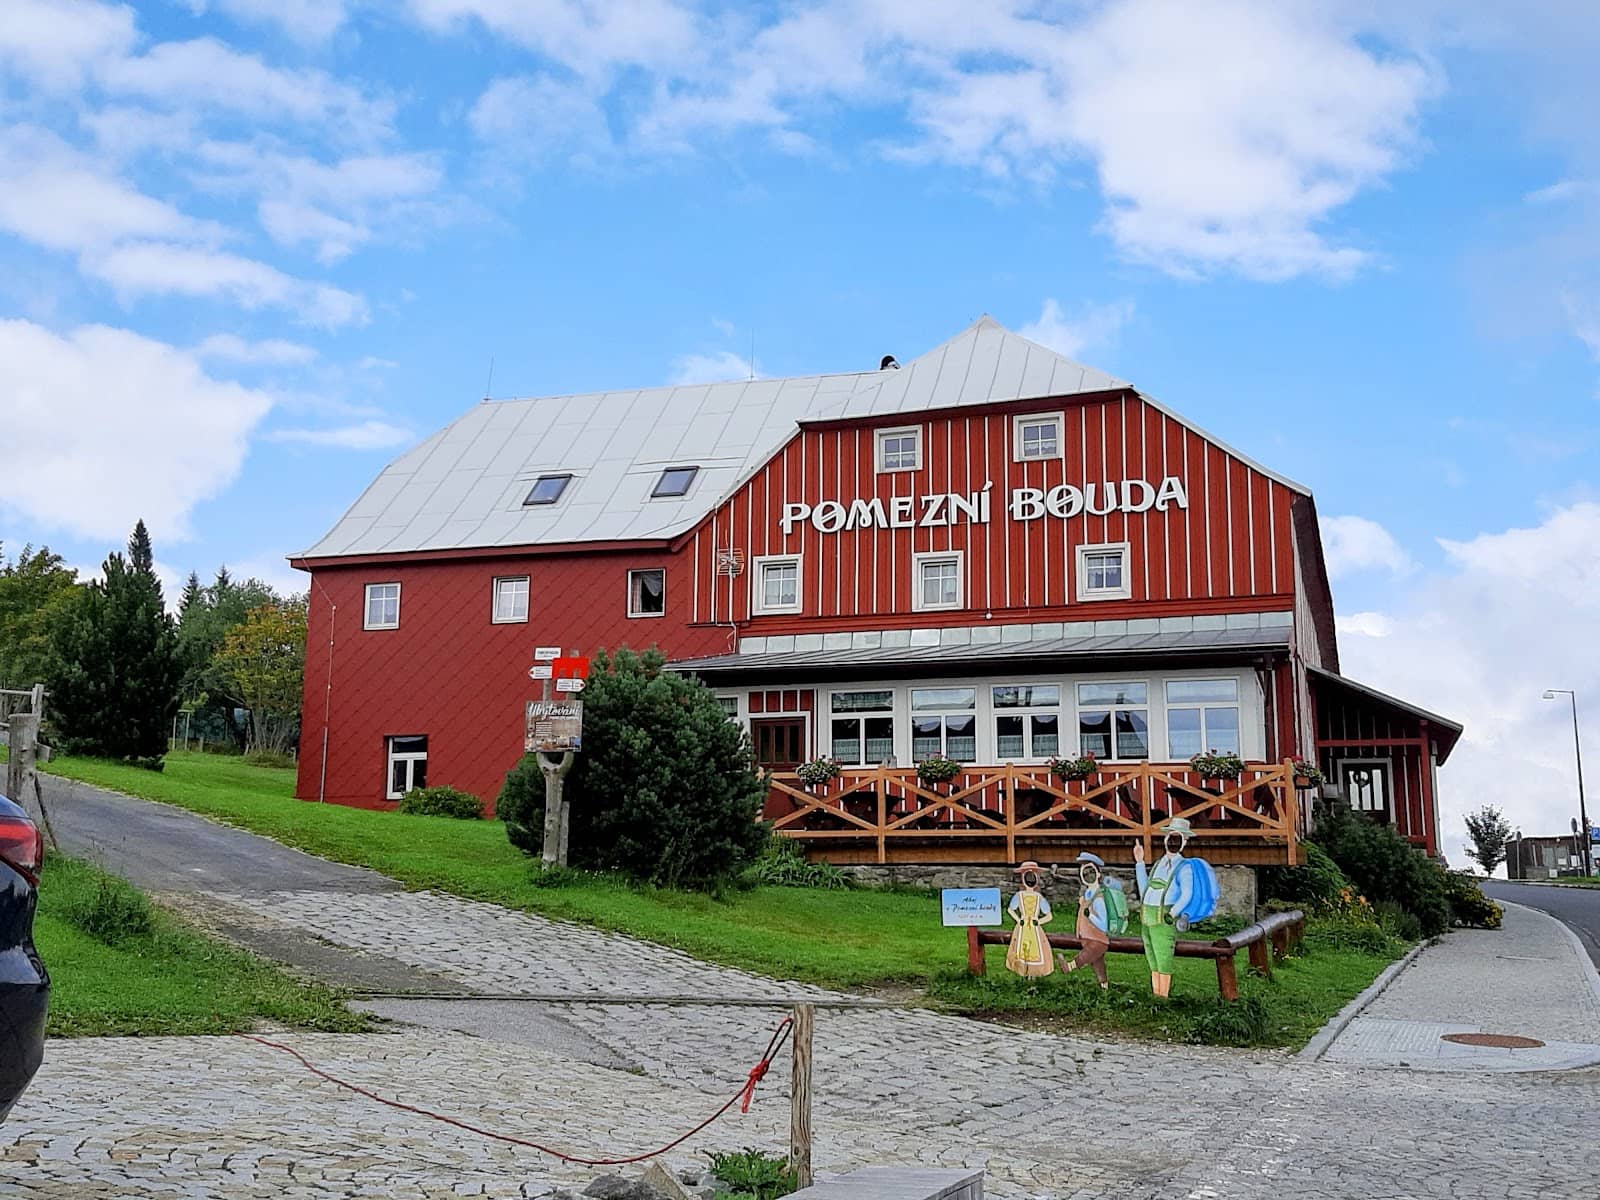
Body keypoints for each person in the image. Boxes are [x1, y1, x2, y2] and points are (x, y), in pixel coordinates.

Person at [1134, 817, 1194, 998]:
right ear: (1165, 839)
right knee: (1151, 956)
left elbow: (1187, 895)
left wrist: (1173, 913)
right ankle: (1156, 995)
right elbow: (1145, 887)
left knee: (1163, 956)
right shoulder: (1159, 864)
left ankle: (1163, 997)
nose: (1173, 841)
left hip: (1164, 917)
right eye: (1171, 837)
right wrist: (1139, 862)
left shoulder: (1184, 868)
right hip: (1148, 917)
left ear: (1185, 841)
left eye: (1177, 838)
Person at [1055, 851, 1111, 988]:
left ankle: (1069, 966)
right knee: (1098, 965)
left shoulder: (1098, 898)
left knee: (1085, 956)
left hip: (1097, 939)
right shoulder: (1088, 894)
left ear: (1098, 875)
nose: (1087, 876)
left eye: (1090, 872)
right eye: (1084, 873)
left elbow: (1103, 925)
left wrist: (1089, 915)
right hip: (1088, 937)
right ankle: (1105, 988)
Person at [1005, 860, 1055, 977]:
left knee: (1034, 948)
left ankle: (1032, 972)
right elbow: (1010, 910)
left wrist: (1037, 921)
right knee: (1022, 948)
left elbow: (1049, 916)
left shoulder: (1037, 898)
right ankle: (1023, 971)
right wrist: (1019, 920)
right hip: (1024, 927)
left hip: (1032, 927)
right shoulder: (1020, 896)